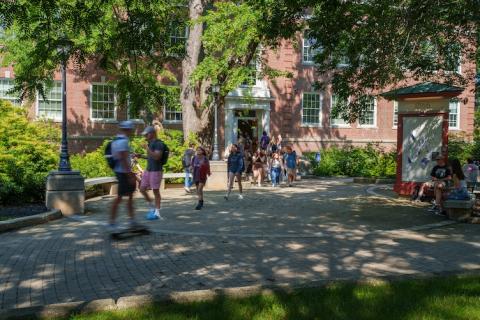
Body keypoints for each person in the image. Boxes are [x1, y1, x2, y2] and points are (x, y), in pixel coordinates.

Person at [109, 121, 138, 231]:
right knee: (120, 198)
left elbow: (122, 156)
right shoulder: (123, 141)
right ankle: (112, 222)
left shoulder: (116, 140)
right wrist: (130, 175)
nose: (132, 131)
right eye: (131, 129)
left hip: (120, 171)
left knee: (129, 197)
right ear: (127, 129)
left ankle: (131, 221)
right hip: (123, 172)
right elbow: (123, 159)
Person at [136, 126, 166, 220]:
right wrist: (140, 156)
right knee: (142, 189)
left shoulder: (159, 144)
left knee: (155, 191)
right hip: (148, 170)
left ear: (152, 133)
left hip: (156, 170)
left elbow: (157, 157)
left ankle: (157, 212)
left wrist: (147, 148)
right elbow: (151, 157)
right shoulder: (150, 143)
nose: (145, 136)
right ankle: (152, 207)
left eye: (146, 134)